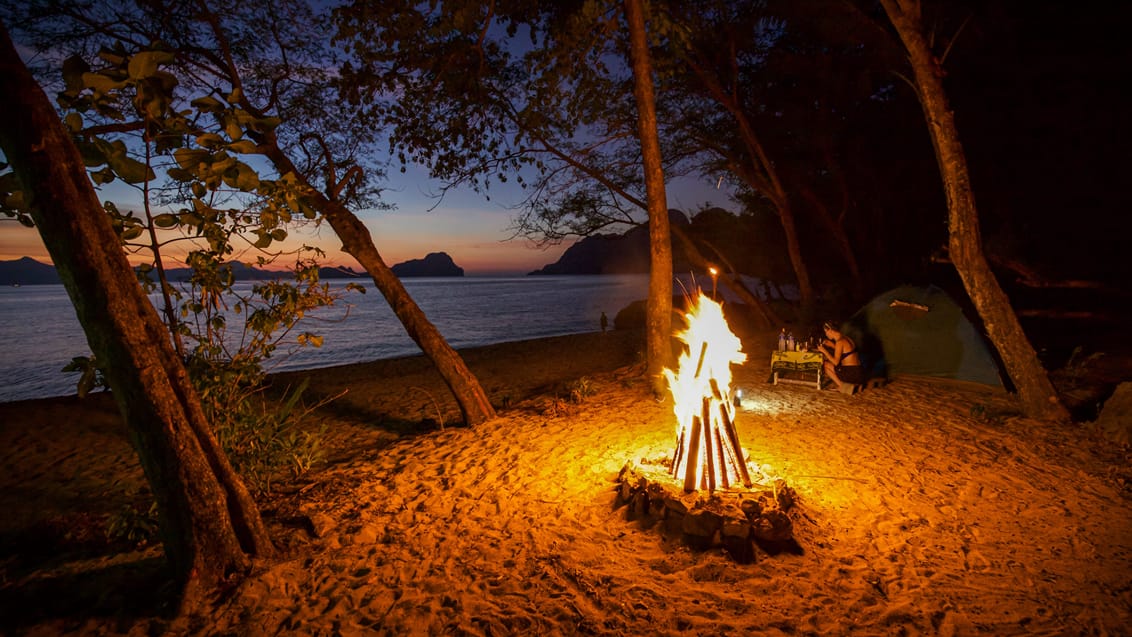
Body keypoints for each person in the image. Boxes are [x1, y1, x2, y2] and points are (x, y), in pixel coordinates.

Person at [817, 320, 866, 391]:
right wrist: (832, 345)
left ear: (831, 330)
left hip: (851, 373)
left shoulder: (839, 342)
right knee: (833, 364)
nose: (826, 334)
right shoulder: (846, 338)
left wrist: (824, 351)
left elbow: (835, 362)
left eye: (826, 332)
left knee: (826, 365)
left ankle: (842, 386)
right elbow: (846, 352)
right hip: (858, 372)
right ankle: (853, 384)